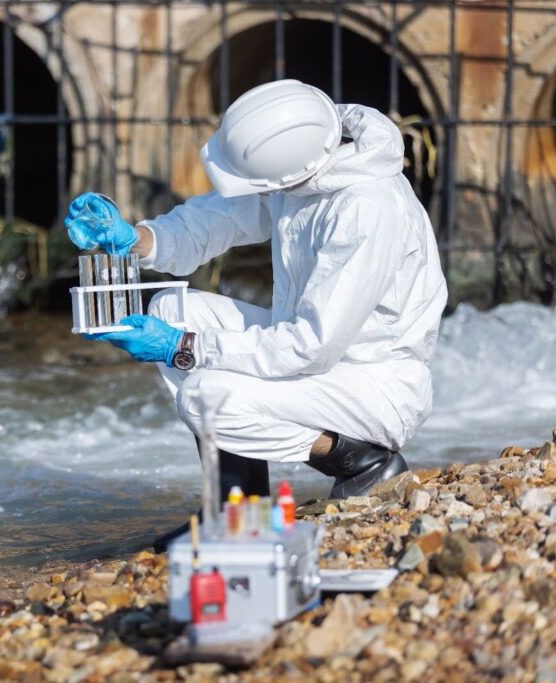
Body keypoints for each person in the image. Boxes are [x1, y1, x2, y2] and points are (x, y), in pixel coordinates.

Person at [65, 80, 448, 552]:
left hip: (372, 380)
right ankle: (235, 509)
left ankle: (364, 462)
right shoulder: (310, 161)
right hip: (320, 359)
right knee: (172, 307)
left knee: (208, 394)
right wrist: (136, 239)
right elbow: (221, 217)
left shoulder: (365, 209)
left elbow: (310, 345)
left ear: (294, 172)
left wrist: (182, 347)